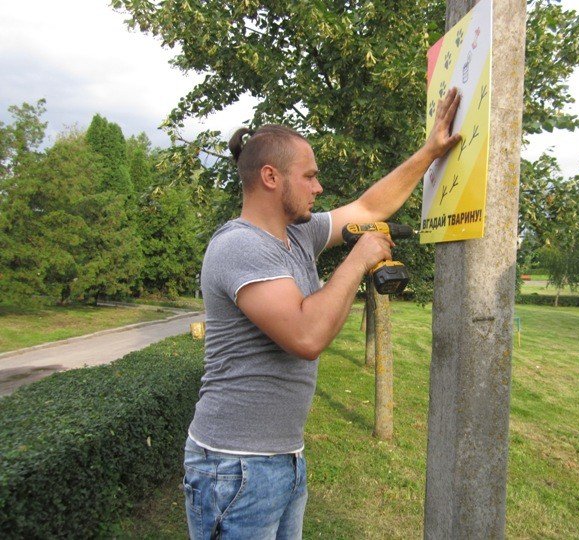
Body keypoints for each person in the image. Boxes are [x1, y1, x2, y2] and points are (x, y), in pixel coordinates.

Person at [183, 88, 462, 539]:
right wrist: (359, 259)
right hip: (235, 467)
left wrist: (430, 152)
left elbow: (368, 208)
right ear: (271, 177)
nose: (319, 188)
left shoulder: (298, 234)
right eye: (309, 176)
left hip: (282, 459)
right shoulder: (239, 246)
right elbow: (306, 336)